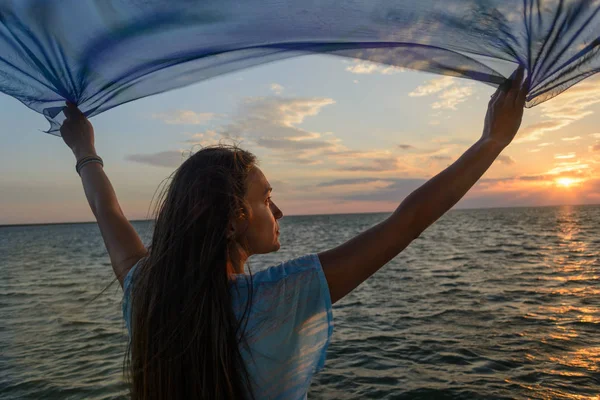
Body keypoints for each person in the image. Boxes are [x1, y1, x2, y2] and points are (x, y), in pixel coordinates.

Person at [60, 66, 528, 400]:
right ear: (232, 219)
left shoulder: (148, 296)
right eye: (266, 198)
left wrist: (85, 149)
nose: (279, 209)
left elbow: (106, 209)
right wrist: (493, 141)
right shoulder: (276, 302)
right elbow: (404, 223)